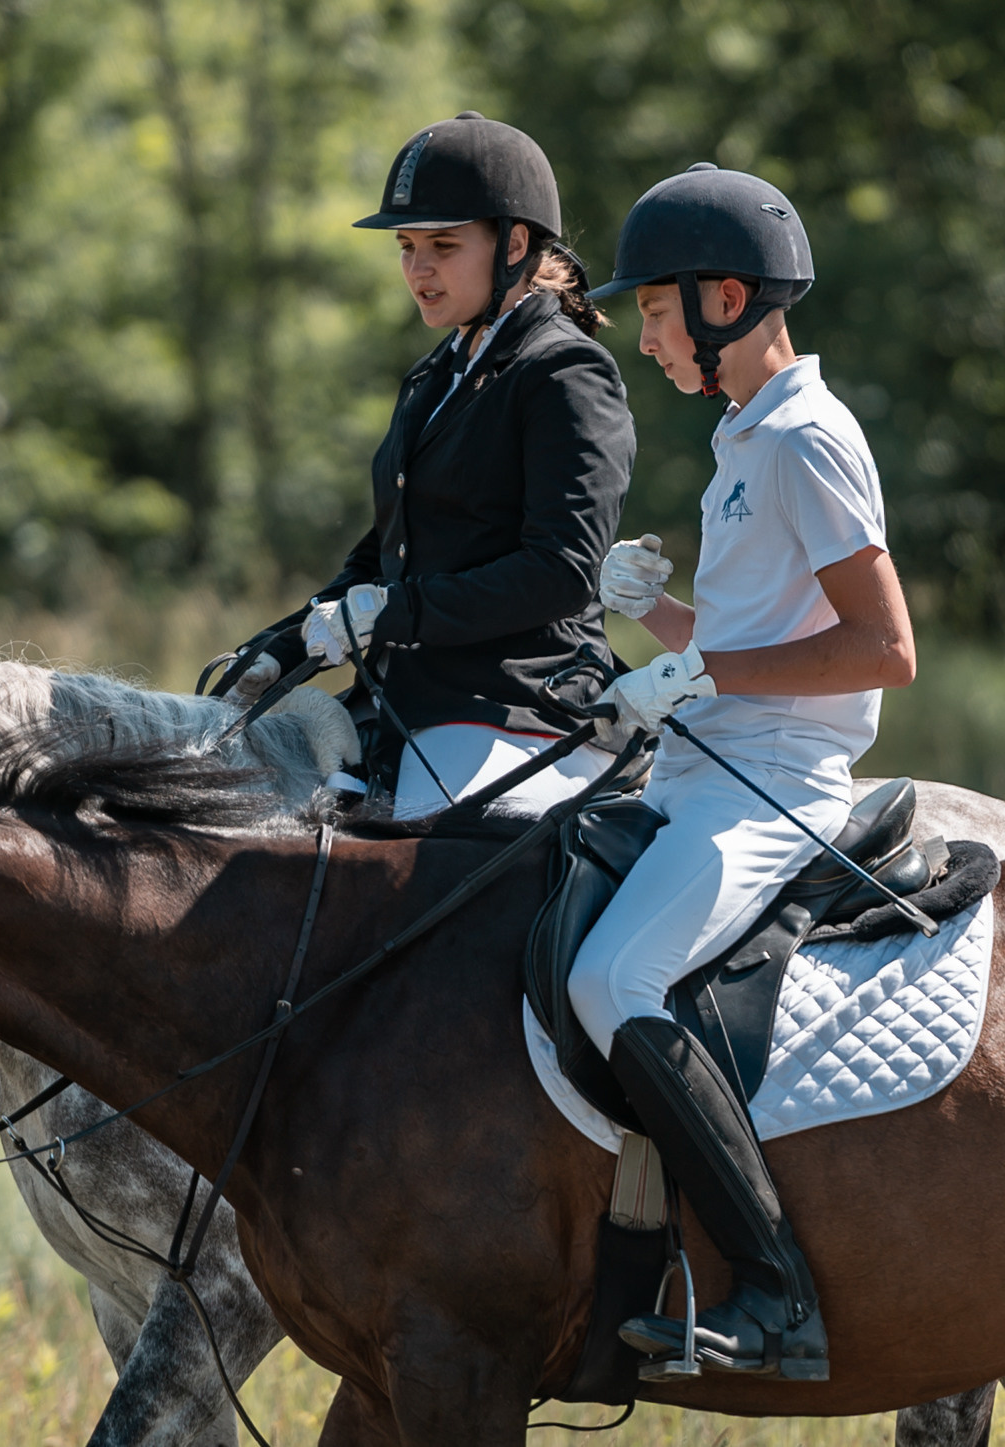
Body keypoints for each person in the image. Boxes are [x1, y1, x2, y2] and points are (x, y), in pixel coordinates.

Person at [567, 164, 918, 1382]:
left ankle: (773, 1289)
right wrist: (656, 615)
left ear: (725, 298)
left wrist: (699, 666)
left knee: (617, 977)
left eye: (656, 312)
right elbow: (743, 644)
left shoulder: (806, 440)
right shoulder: (745, 437)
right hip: (703, 764)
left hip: (774, 786)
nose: (645, 336)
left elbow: (884, 648)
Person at [215, 113, 634, 818]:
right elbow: (386, 552)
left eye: (443, 245)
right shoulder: (435, 373)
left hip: (513, 705)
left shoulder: (565, 372)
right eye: (407, 247)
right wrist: (285, 645)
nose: (418, 269)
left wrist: (392, 613)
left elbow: (562, 571)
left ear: (515, 244)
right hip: (399, 702)